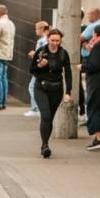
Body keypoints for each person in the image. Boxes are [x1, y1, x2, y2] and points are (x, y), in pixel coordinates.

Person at [29, 28, 73, 157]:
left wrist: (68, 92)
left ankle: (46, 142)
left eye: (57, 41)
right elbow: (32, 70)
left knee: (50, 118)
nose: (55, 43)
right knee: (46, 115)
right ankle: (44, 146)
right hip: (41, 87)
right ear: (48, 39)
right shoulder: (41, 51)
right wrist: (40, 66)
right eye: (52, 40)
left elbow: (68, 73)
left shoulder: (63, 54)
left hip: (56, 88)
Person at [25, 21, 49, 118]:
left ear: (42, 29)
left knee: (32, 87)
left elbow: (40, 54)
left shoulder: (42, 41)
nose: (35, 31)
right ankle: (38, 108)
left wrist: (33, 54)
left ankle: (36, 108)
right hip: (43, 67)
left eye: (36, 28)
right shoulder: (45, 40)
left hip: (39, 67)